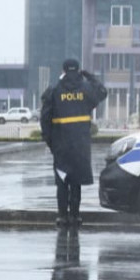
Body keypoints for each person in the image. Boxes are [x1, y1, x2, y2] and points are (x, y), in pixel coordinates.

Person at [40, 59, 107, 228]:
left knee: (62, 181)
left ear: (63, 70)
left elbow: (45, 120)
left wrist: (51, 143)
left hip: (61, 145)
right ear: (78, 71)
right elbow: (103, 92)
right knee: (76, 182)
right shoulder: (86, 89)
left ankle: (62, 217)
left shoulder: (54, 90)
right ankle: (75, 216)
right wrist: (89, 77)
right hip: (80, 144)